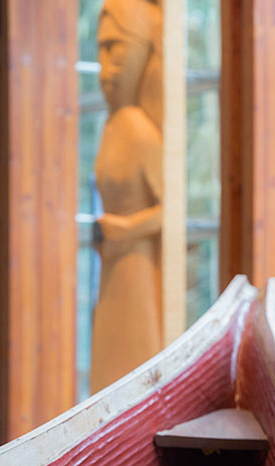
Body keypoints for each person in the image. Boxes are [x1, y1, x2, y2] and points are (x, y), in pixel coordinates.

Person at [91, 0, 164, 393]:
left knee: (134, 374)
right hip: (112, 270)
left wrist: (126, 229)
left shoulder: (138, 129)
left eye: (113, 48)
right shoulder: (112, 126)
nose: (104, 65)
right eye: (100, 50)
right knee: (107, 369)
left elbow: (171, 213)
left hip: (137, 270)